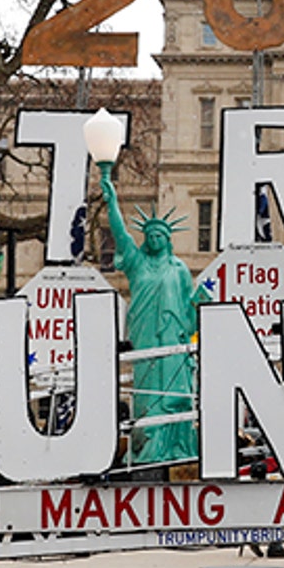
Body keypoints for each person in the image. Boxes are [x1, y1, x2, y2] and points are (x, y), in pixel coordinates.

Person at [98, 166, 199, 465]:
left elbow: (187, 309)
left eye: (160, 235)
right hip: (144, 340)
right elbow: (119, 232)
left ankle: (176, 448)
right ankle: (148, 449)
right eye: (151, 234)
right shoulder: (136, 262)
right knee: (146, 396)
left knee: (174, 396)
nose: (155, 238)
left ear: (168, 239)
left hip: (172, 340)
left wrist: (199, 305)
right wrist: (112, 201)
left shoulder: (179, 269)